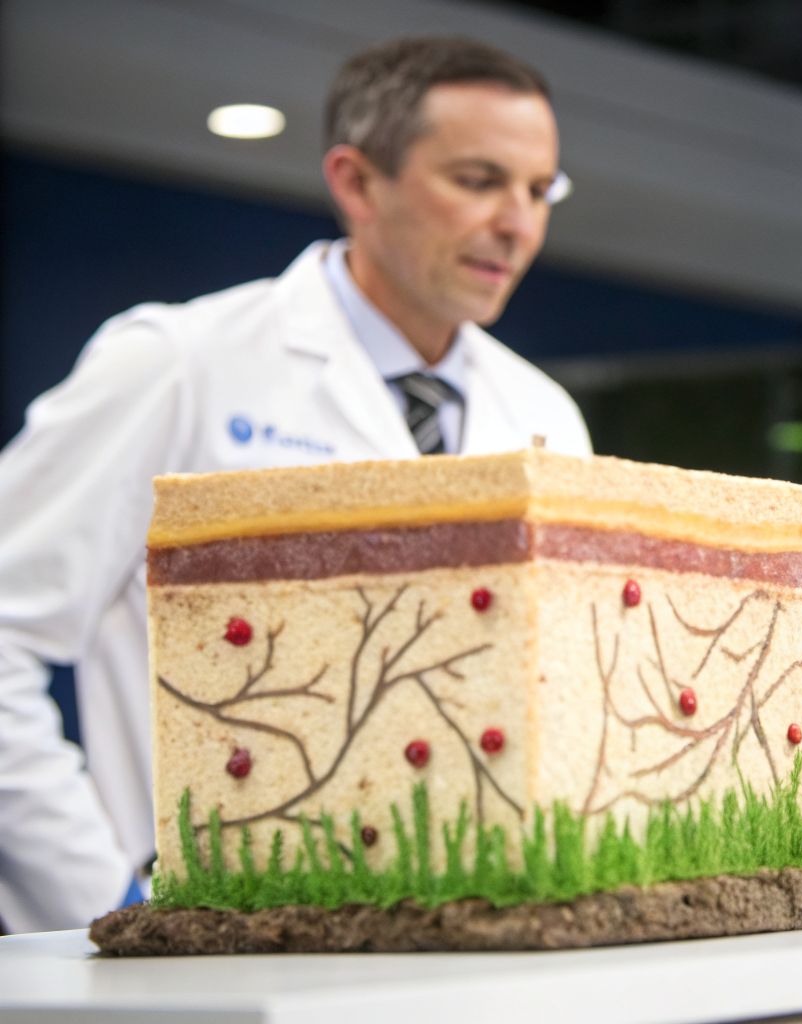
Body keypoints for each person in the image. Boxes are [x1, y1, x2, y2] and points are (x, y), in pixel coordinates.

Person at [0, 36, 591, 932]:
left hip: (490, 948)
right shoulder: (180, 364)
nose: (519, 223)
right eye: (479, 180)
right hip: (215, 948)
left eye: (538, 189)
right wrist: (99, 893)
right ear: (357, 182)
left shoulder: (544, 413)